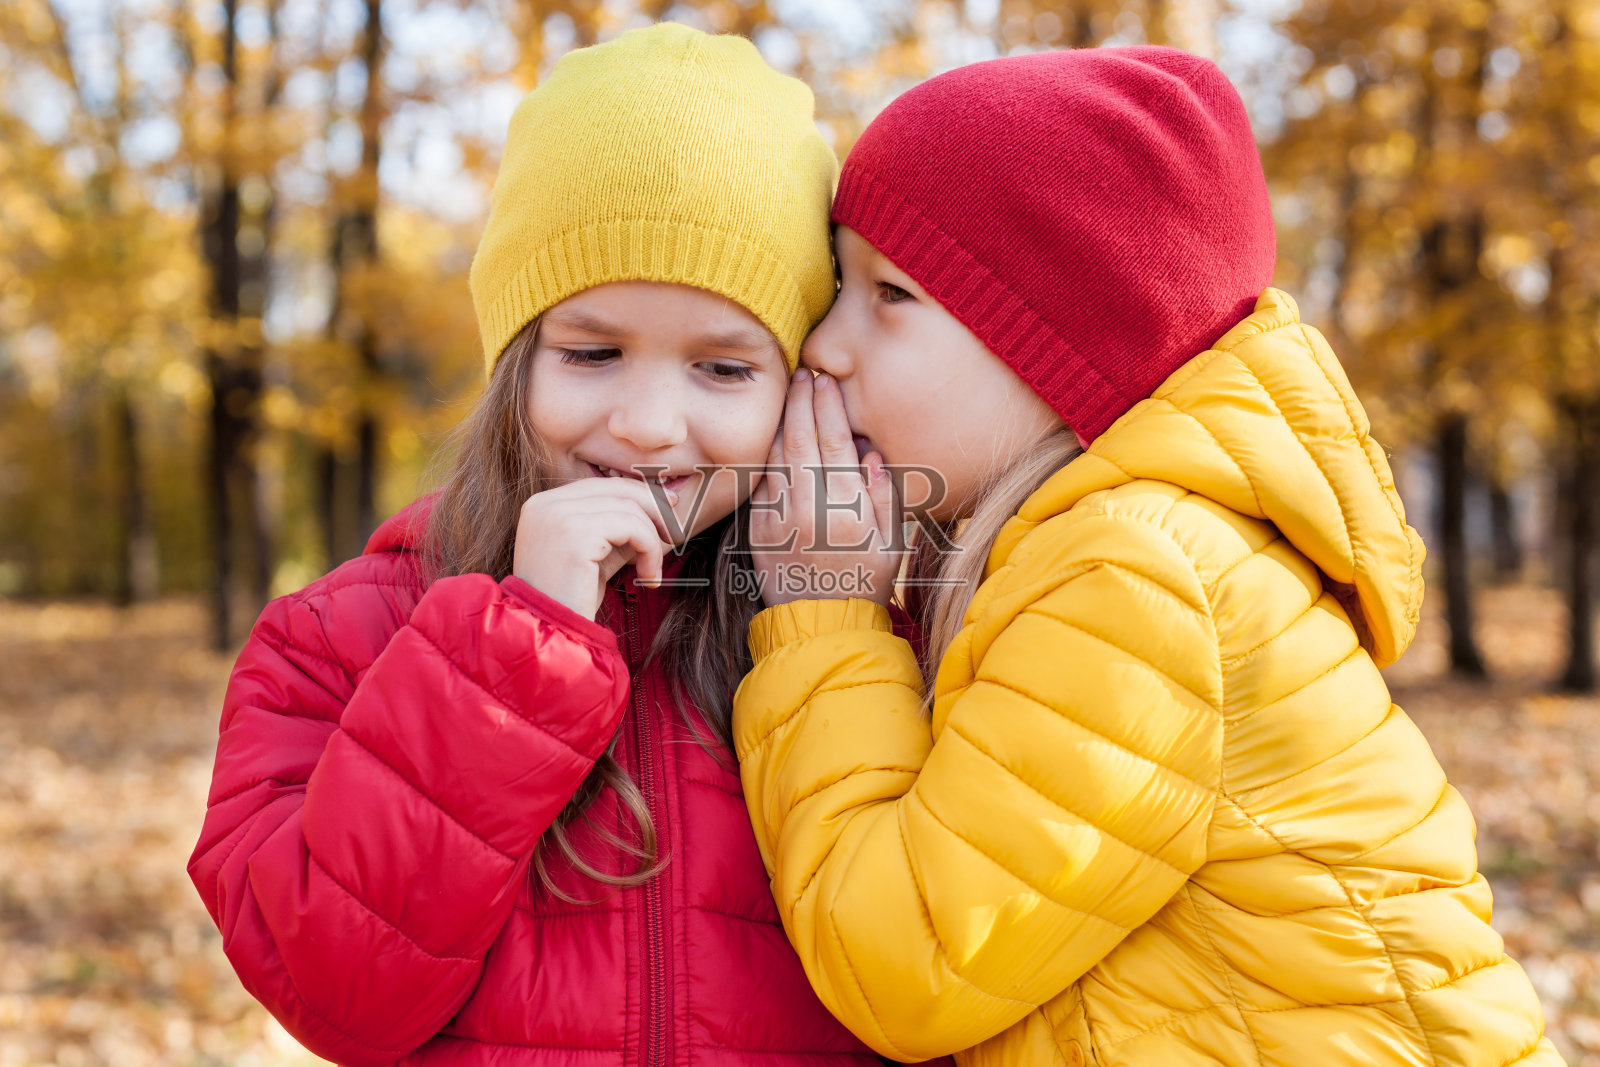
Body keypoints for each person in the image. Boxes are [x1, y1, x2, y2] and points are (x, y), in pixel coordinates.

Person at [733, 46, 1565, 1066]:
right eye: (837, 284)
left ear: (1049, 345)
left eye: (890, 295)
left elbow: (908, 961)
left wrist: (822, 611)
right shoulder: (1098, 553)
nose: (824, 344)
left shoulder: (1133, 577)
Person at [188, 22, 890, 1067]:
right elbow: (336, 994)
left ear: (799, 388)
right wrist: (520, 649)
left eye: (724, 368)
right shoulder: (337, 638)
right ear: (513, 362)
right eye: (593, 351)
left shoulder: (870, 631)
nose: (651, 422)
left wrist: (833, 617)